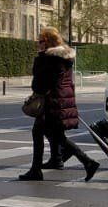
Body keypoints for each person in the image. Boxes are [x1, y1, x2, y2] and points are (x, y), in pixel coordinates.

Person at [18, 27, 98, 183]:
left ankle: (87, 162)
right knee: (54, 135)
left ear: (47, 42)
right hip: (61, 100)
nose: (38, 44)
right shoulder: (64, 57)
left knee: (47, 134)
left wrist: (39, 58)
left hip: (51, 102)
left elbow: (39, 84)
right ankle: (83, 162)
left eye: (40, 41)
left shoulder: (49, 59)